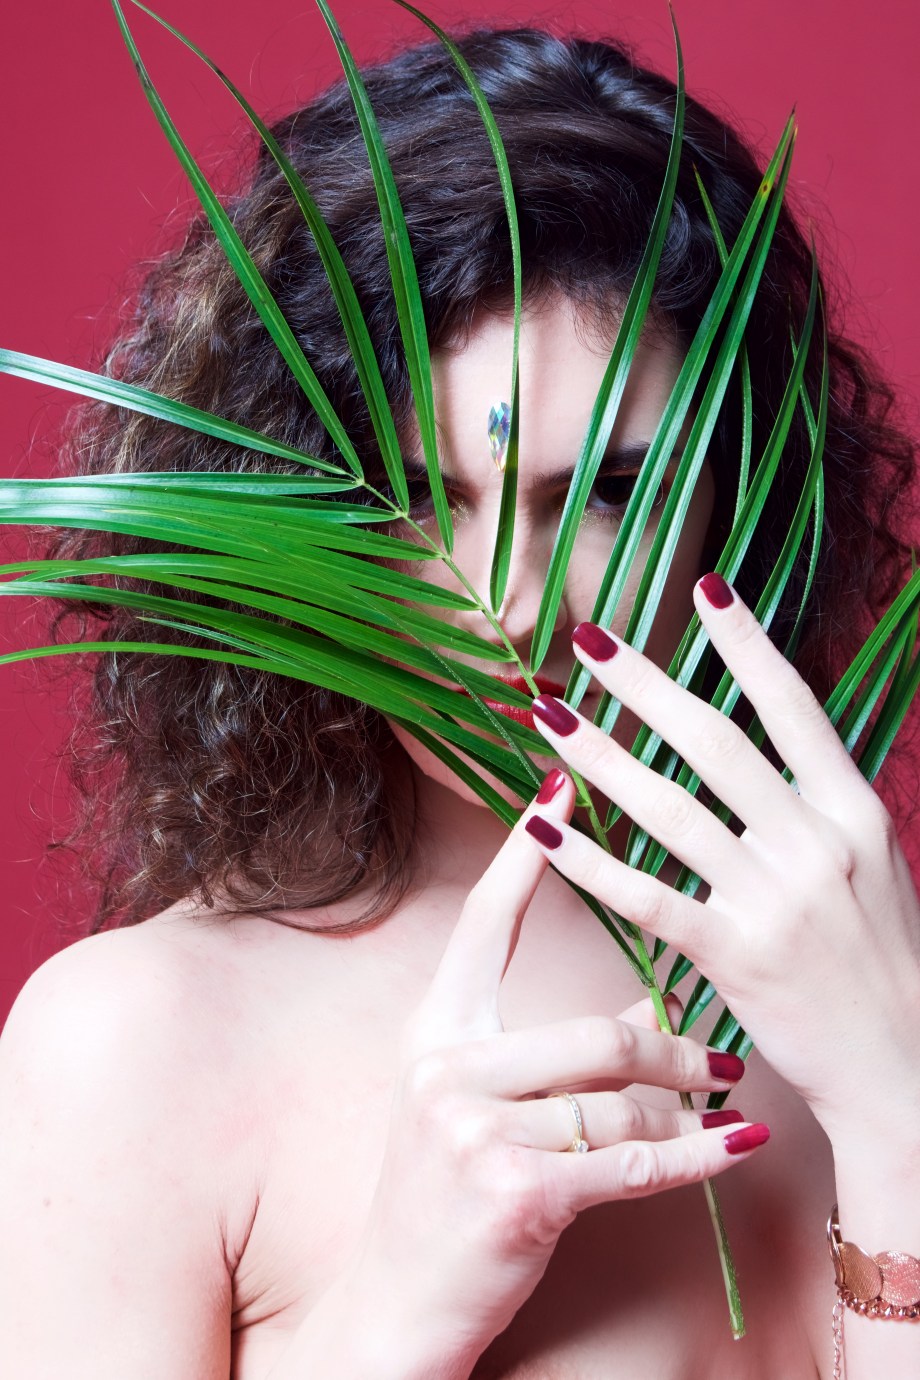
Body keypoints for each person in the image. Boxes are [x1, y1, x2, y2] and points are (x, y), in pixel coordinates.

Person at [1, 23, 918, 1379]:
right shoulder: (137, 1053)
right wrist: (395, 1320)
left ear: (748, 484)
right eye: (423, 498)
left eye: (609, 491)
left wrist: (897, 1109)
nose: (512, 605)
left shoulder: (875, 981)